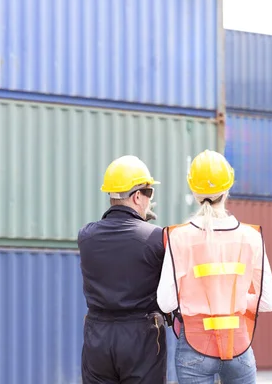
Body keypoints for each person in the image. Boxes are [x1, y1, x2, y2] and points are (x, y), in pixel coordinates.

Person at [157, 150, 272, 384]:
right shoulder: (250, 237)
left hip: (194, 345)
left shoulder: (179, 237)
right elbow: (267, 301)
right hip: (239, 345)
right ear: (228, 187)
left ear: (194, 190)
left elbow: (165, 302)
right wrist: (238, 302)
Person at [78, 155, 167, 384]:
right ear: (137, 196)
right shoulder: (156, 237)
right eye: (149, 194)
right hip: (141, 337)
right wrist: (145, 225)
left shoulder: (86, 235)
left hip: (97, 335)